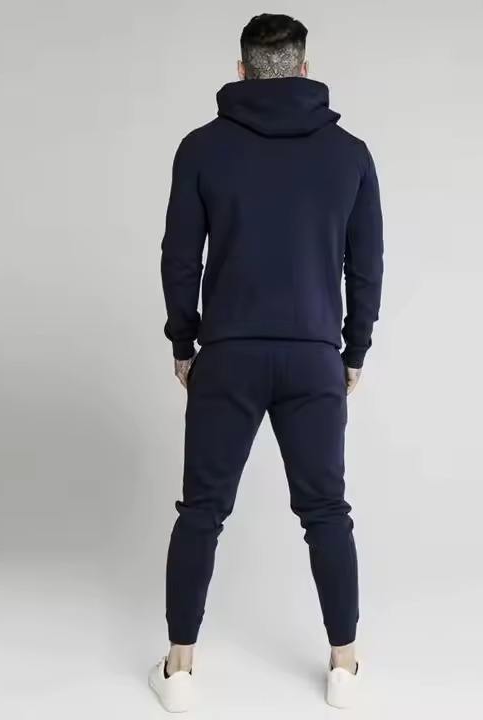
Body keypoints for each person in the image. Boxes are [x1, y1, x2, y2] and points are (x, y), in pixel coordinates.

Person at [149, 12, 384, 712]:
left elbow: (179, 256)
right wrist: (353, 349)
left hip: (229, 355)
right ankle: (344, 666)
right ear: (305, 70)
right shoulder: (350, 155)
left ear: (242, 70)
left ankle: (179, 669)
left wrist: (185, 342)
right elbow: (366, 266)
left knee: (201, 511)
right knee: (326, 511)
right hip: (313, 357)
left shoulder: (201, 148)